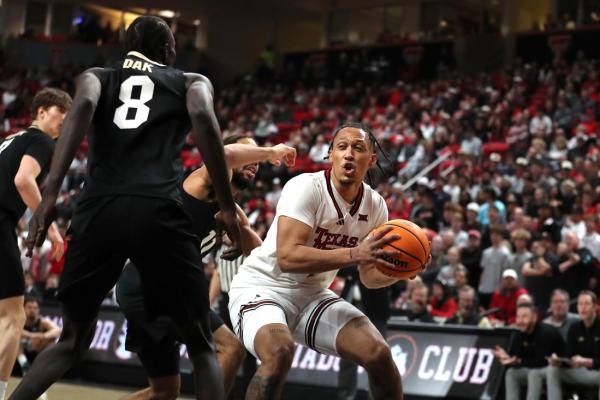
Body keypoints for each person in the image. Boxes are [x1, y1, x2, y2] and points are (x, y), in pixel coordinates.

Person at [10, 16, 242, 400]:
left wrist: (50, 195)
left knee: (70, 342)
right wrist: (228, 205)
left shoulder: (96, 76)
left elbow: (82, 106)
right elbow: (203, 117)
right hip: (159, 212)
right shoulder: (190, 81)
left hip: (99, 209)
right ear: (168, 51)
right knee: (202, 346)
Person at [228, 122, 408, 400]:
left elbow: (369, 278)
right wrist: (354, 253)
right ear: (330, 155)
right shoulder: (306, 187)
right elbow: (288, 257)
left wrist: (403, 270)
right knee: (279, 352)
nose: (349, 154)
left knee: (379, 355)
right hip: (263, 287)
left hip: (313, 296)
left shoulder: (376, 206)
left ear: (371, 160)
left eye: (358, 148)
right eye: (342, 147)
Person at [116, 135, 296, 399]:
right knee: (231, 348)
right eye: (249, 152)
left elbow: (263, 257)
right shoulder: (201, 183)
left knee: (164, 392)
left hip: (163, 290)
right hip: (148, 283)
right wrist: (269, 152)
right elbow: (222, 154)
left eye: (257, 157)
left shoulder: (233, 213)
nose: (255, 160)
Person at [0, 87, 71, 400]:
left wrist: (21, 222)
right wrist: (50, 227)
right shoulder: (40, 140)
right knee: (11, 316)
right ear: (41, 112)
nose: (64, 123)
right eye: (60, 114)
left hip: (5, 221)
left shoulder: (9, 139)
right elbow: (23, 180)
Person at [493, 303, 564, 400]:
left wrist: (518, 361)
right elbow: (517, 357)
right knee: (511, 373)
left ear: (534, 317)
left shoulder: (545, 333)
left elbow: (540, 361)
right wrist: (506, 357)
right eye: (518, 317)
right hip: (534, 368)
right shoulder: (519, 333)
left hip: (555, 369)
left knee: (534, 374)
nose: (520, 321)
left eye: (524, 317)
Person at [547, 291, 600, 400]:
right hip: (579, 372)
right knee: (553, 370)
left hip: (597, 372)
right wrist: (559, 361)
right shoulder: (574, 328)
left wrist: (588, 362)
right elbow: (569, 355)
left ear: (595, 307)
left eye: (587, 304)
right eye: (580, 304)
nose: (583, 308)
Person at [18, 297, 61, 369]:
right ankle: (24, 366)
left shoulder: (43, 322)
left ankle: (45, 367)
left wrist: (43, 336)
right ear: (24, 309)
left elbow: (58, 330)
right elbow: (14, 331)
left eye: (35, 308)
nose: (32, 310)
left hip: (38, 352)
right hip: (21, 353)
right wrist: (32, 336)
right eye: (29, 308)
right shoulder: (19, 321)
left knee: (50, 341)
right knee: (14, 340)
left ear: (38, 310)